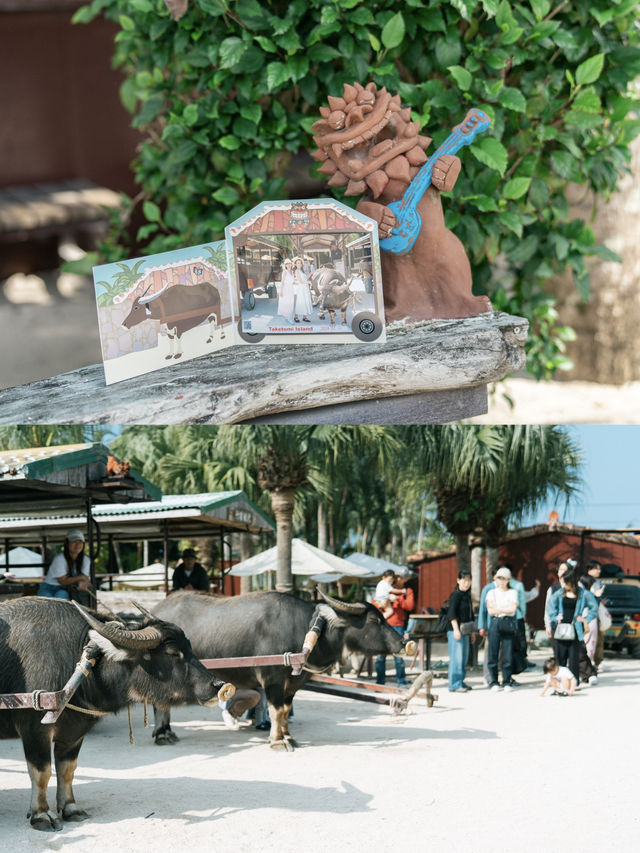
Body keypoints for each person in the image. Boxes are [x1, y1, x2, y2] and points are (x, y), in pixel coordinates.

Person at [546, 566, 598, 682]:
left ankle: (574, 682)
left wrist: (585, 619)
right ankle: (561, 681)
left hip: (575, 629)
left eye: (566, 582)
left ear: (572, 581)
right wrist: (555, 617)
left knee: (574, 658)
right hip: (560, 629)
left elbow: (594, 607)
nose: (564, 585)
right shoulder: (559, 593)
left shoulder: (583, 593)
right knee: (560, 657)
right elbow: (550, 607)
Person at [375, 574, 413, 687]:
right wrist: (383, 603)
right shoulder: (383, 587)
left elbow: (410, 606)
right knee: (381, 656)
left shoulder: (407, 591)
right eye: (398, 577)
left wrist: (398, 599)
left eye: (402, 577)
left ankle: (401, 682)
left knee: (399, 655)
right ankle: (380, 683)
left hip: (398, 625)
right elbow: (375, 603)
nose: (399, 579)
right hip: (383, 624)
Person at [485, 566, 519, 692]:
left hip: (508, 622)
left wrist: (499, 609)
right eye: (499, 578)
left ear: (509, 579)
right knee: (492, 652)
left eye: (504, 578)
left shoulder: (513, 592)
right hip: (495, 622)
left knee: (508, 653)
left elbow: (512, 610)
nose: (501, 581)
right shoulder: (491, 592)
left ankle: (507, 680)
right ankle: (493, 681)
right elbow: (490, 610)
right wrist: (503, 609)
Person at [38, 529, 91, 600]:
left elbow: (85, 578)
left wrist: (83, 582)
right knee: (46, 603)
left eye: (80, 542)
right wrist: (81, 578)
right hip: (49, 587)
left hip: (65, 589)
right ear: (67, 543)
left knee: (62, 596)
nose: (77, 545)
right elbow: (63, 581)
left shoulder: (86, 560)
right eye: (74, 541)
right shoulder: (59, 559)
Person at [446, 570, 476, 692]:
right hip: (455, 630)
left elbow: (470, 615)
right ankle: (454, 684)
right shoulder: (455, 595)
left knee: (463, 658)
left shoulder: (467, 595)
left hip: (466, 630)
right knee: (456, 658)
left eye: (469, 580)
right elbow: (451, 614)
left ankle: (461, 681)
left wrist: (472, 632)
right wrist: (456, 630)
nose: (466, 583)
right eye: (464, 580)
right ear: (458, 580)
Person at [292, 256, 313, 323]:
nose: (299, 264)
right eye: (298, 263)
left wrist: (310, 274)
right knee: (300, 302)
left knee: (305, 301)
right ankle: (296, 317)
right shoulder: (296, 271)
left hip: (305, 288)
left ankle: (304, 317)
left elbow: (305, 278)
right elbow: (300, 281)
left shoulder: (302, 271)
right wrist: (309, 282)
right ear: (295, 264)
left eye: (300, 263)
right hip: (301, 288)